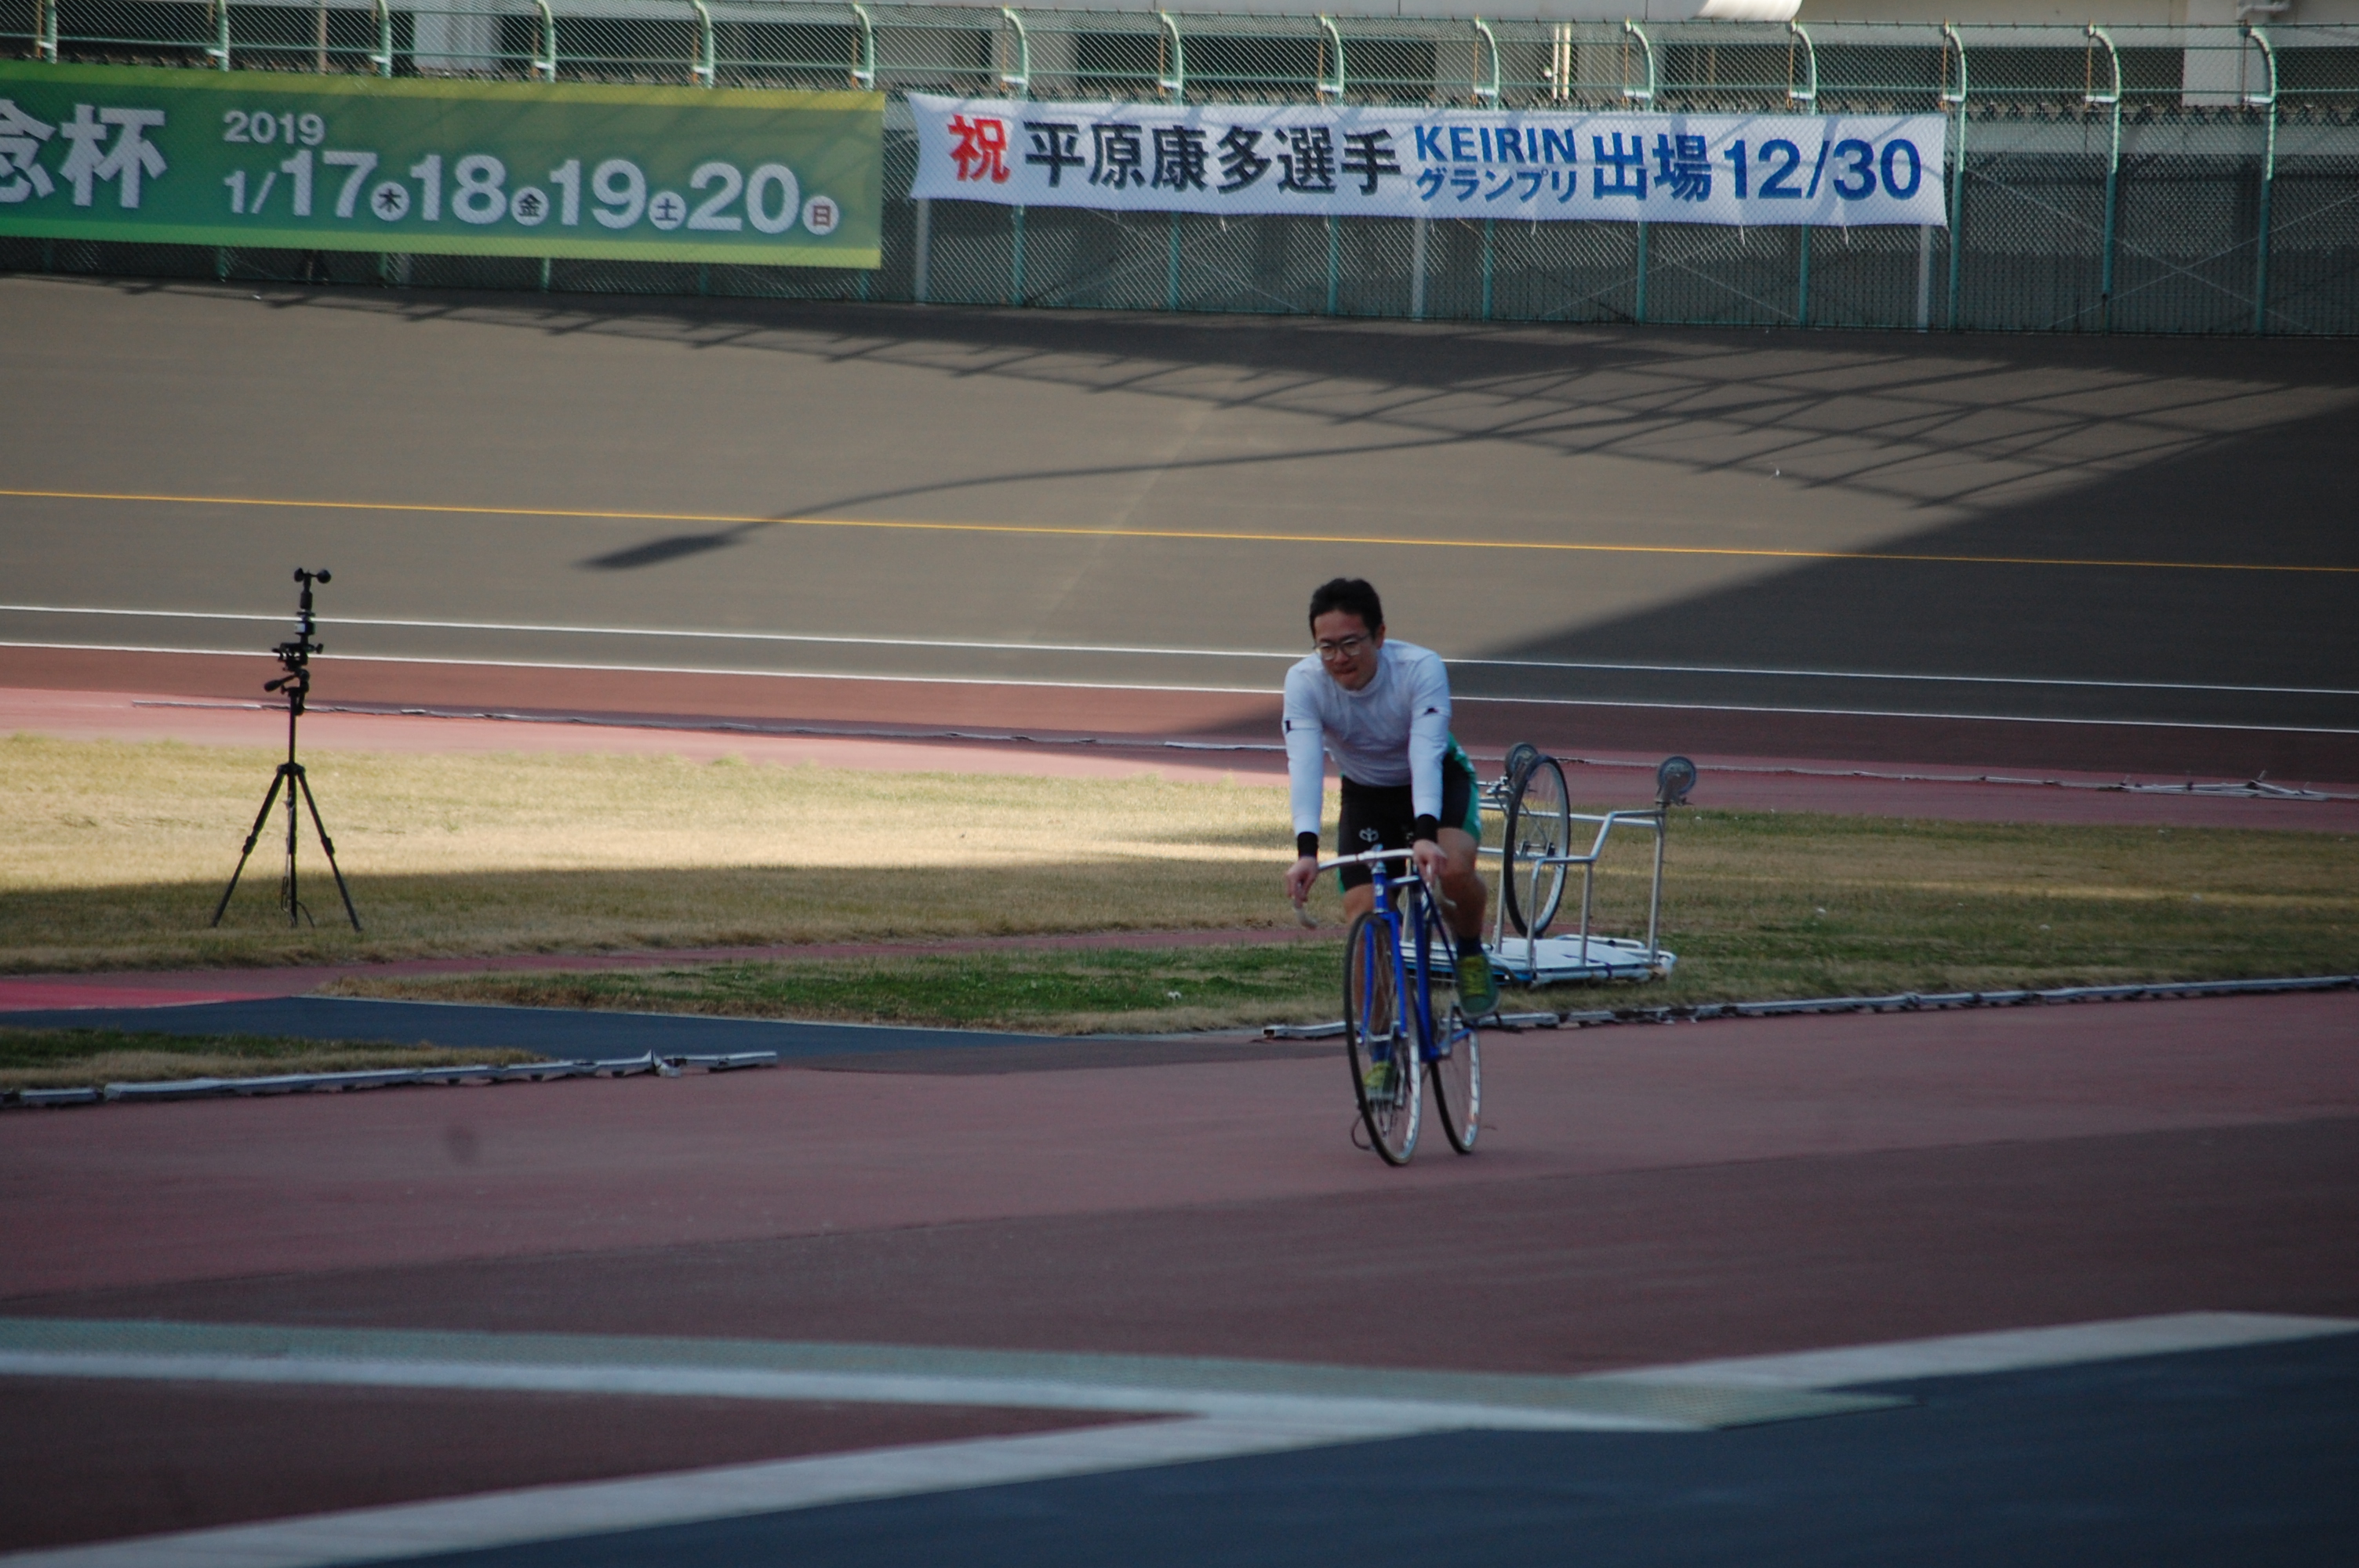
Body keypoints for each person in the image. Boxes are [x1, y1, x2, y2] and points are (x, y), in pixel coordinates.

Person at [1282, 577, 1498, 1018]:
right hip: (1367, 795)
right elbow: (1304, 764)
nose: (1339, 659)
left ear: (1380, 636)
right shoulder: (1303, 682)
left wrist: (1424, 834)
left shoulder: (1420, 668)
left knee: (1453, 867)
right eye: (1326, 647)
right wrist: (1306, 850)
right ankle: (1380, 1052)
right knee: (1365, 921)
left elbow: (1426, 752)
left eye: (1350, 643)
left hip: (1438, 778)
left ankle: (1471, 948)